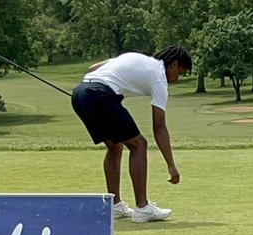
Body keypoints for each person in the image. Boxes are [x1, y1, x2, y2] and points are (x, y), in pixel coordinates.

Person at [71, 46, 192, 222]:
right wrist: (171, 165)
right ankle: (143, 207)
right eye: (180, 73)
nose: (177, 80)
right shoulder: (158, 78)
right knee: (139, 144)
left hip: (80, 93)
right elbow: (159, 128)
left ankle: (115, 206)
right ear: (173, 64)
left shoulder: (137, 57)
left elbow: (93, 68)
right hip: (99, 95)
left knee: (115, 145)